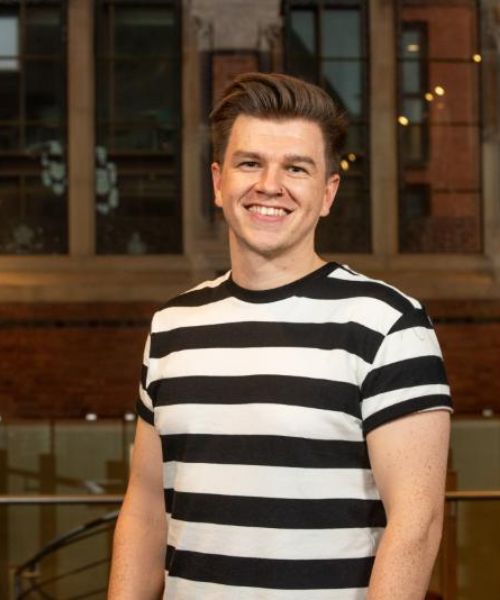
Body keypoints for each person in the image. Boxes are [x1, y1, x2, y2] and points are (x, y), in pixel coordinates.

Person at [108, 72, 452, 599]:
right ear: (218, 182)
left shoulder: (388, 324)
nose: (270, 185)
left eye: (296, 167)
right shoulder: (172, 326)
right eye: (250, 163)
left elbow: (417, 524)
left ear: (327, 192)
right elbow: (147, 507)